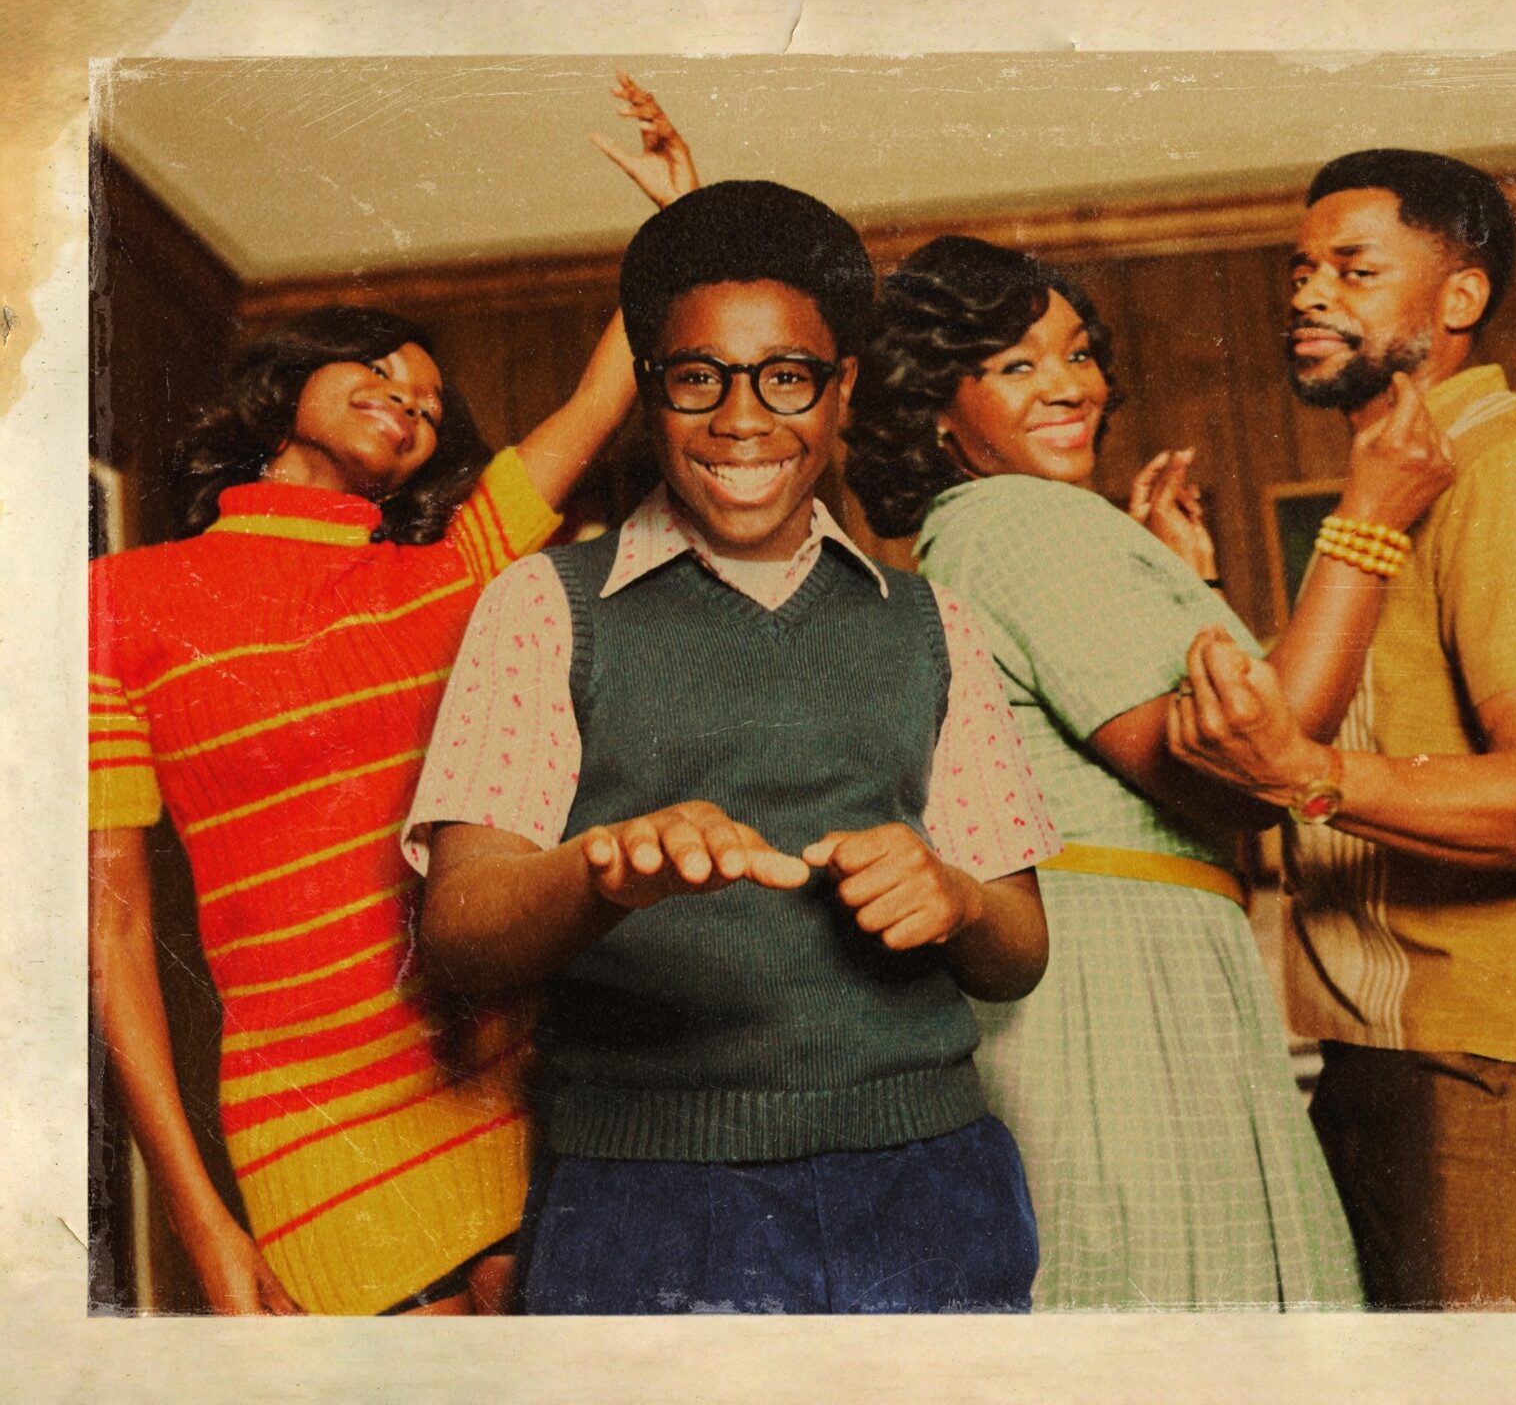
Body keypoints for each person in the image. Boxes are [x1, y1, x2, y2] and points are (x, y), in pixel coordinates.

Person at [405, 179, 1057, 1315]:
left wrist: (954, 896)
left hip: (930, 1188)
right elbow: (458, 932)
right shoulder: (545, 607)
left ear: (842, 388)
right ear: (649, 388)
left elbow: (1020, 948)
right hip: (646, 1206)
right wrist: (602, 874)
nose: (742, 419)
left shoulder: (932, 623)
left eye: (787, 377)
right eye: (698, 377)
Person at [844, 232, 1454, 1309]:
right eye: (1017, 364)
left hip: (1121, 968)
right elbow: (1248, 767)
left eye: (1078, 353)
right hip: (1119, 989)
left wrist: (1183, 590)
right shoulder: (1025, 522)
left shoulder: (991, 531)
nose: (1069, 385)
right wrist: (1369, 519)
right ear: (939, 408)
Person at [1166, 148, 1516, 1310]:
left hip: (1501, 1047)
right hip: (1383, 1047)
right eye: (1299, 271)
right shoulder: (1390, 491)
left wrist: (1304, 773)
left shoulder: (1513, 472)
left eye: (1353, 269)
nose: (1307, 294)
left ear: (1459, 297)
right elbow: (1287, 754)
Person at [88, 290, 639, 1313]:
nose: (409, 401)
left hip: (507, 1097)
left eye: (430, 401)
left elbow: (603, 394)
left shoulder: (456, 566)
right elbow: (112, 927)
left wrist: (680, 221)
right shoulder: (118, 601)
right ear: (286, 386)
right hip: (314, 1137)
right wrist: (197, 1216)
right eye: (380, 369)